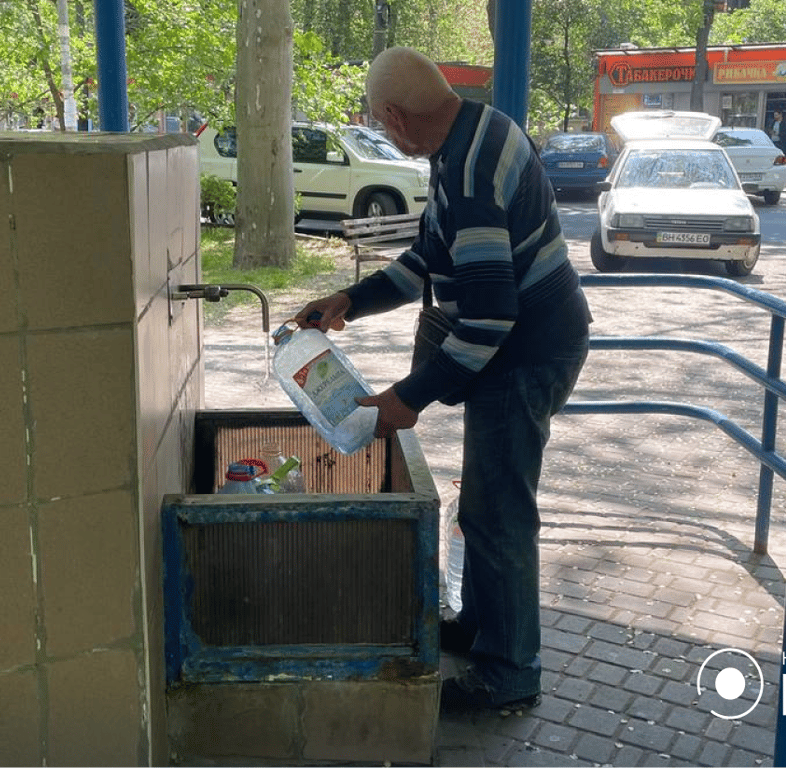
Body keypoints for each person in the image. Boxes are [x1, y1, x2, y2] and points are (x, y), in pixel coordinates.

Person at [293, 46, 591, 714]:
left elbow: (489, 318)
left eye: (376, 118)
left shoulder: (473, 172)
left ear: (394, 117)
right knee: (487, 505)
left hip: (524, 356)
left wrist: (407, 398)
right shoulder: (471, 134)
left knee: (499, 515)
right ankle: (483, 625)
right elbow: (432, 252)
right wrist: (354, 297)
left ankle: (509, 671)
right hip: (515, 345)